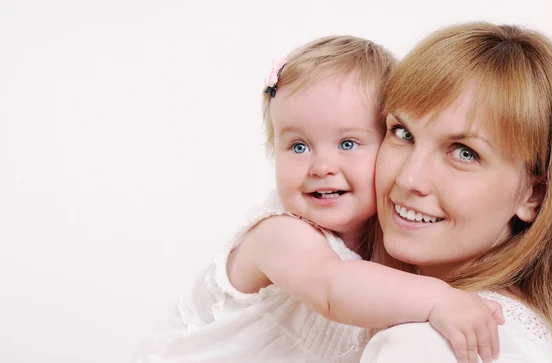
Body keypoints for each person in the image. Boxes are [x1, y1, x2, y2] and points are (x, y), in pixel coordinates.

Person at [132, 35, 504, 363]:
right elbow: (332, 287)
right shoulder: (278, 234)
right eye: (298, 146)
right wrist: (439, 299)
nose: (322, 166)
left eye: (347, 143)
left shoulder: (390, 238)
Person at [361, 22, 552, 363]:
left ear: (534, 195)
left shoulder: (429, 345)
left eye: (464, 152)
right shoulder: (538, 334)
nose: (409, 178)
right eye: (403, 133)